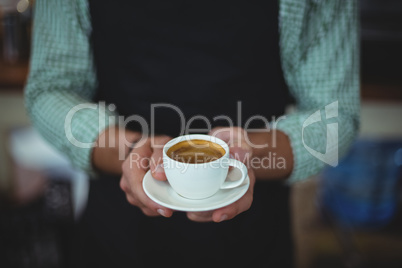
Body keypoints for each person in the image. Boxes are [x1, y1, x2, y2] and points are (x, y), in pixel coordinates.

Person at [25, 0, 359, 267]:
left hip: (254, 238)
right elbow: (50, 88)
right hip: (117, 234)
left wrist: (250, 155)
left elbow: (335, 117)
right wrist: (128, 150)